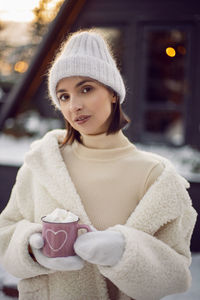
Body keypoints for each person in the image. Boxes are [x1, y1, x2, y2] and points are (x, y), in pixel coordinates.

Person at [0, 29, 197, 300]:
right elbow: (5, 233)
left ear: (113, 94)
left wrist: (124, 251)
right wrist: (31, 247)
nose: (74, 105)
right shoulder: (41, 164)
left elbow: (176, 274)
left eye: (86, 89)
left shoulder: (156, 176)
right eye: (64, 96)